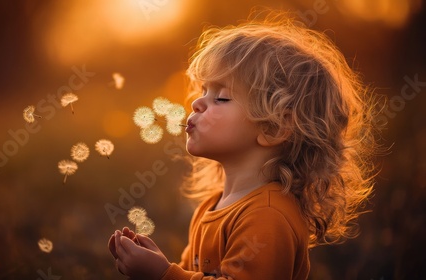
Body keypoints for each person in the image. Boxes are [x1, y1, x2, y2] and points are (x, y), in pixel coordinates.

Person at [108, 13, 378, 280]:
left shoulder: (268, 216)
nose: (196, 104)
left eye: (222, 97)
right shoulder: (213, 206)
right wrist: (159, 265)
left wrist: (163, 275)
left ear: (274, 128)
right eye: (204, 91)